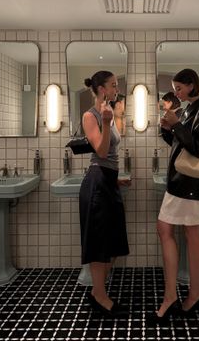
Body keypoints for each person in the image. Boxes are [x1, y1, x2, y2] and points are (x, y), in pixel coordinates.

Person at [154, 68, 199, 323]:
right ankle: (187, 293)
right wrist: (167, 130)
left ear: (192, 85)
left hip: (190, 185)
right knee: (178, 232)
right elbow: (182, 146)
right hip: (182, 183)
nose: (176, 93)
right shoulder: (190, 110)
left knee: (183, 233)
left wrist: (176, 124)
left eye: (179, 88)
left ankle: (186, 294)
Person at [79, 70, 130, 317]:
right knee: (100, 242)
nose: (116, 88)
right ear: (101, 89)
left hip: (108, 180)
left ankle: (97, 292)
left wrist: (116, 178)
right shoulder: (91, 115)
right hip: (97, 181)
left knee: (109, 239)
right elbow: (100, 151)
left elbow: (110, 155)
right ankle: (99, 295)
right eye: (113, 85)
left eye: (116, 84)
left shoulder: (108, 112)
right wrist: (108, 123)